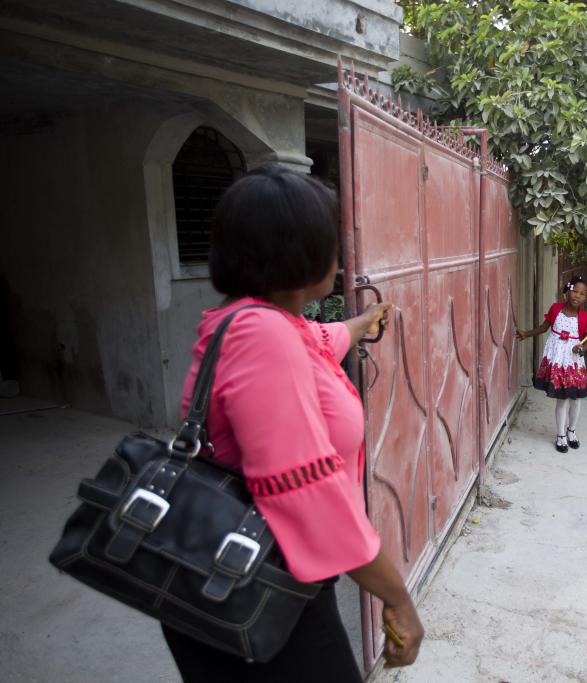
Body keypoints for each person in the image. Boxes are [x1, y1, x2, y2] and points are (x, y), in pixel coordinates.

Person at [162, 164, 423, 681]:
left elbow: (322, 340)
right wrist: (397, 597)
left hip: (252, 569)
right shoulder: (264, 335)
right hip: (257, 580)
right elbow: (305, 491)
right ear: (304, 252)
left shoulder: (266, 322)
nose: (339, 254)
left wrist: (365, 321)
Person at [516, 276, 587, 452]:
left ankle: (571, 431)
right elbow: (544, 328)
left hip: (573, 362)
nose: (577, 296)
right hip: (558, 360)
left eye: (582, 294)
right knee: (562, 398)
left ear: (585, 298)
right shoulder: (556, 309)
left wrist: (582, 348)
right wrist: (526, 334)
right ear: (567, 290)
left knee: (576, 399)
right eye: (574, 291)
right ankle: (560, 435)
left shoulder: (585, 318)